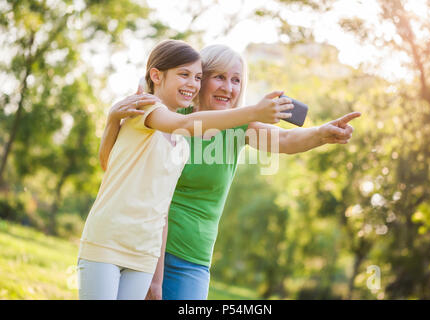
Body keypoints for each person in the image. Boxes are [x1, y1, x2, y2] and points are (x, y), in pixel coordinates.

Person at [99, 44, 361, 300]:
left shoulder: (239, 127)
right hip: (146, 246)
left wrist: (322, 133)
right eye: (220, 77)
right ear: (201, 80)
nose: (228, 87)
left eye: (236, 80)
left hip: (194, 256)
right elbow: (117, 164)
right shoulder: (172, 117)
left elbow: (284, 140)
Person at [77, 40, 293, 300]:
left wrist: (156, 280)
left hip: (143, 252)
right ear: (156, 76)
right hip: (108, 241)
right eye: (184, 74)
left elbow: (162, 209)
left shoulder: (178, 143)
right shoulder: (149, 108)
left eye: (197, 77)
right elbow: (182, 124)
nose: (192, 83)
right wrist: (113, 118)